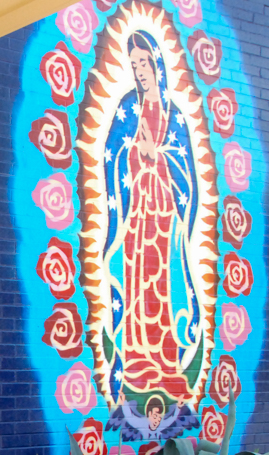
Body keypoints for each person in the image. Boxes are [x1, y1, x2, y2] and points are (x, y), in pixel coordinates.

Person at [102, 29, 199, 403]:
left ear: (157, 63)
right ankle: (138, 364)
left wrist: (156, 155)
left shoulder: (175, 117)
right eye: (134, 63)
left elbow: (187, 175)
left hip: (165, 223)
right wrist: (135, 154)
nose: (139, 70)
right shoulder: (128, 106)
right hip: (136, 219)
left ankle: (167, 366)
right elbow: (112, 155)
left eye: (144, 62)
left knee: (164, 290)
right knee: (137, 290)